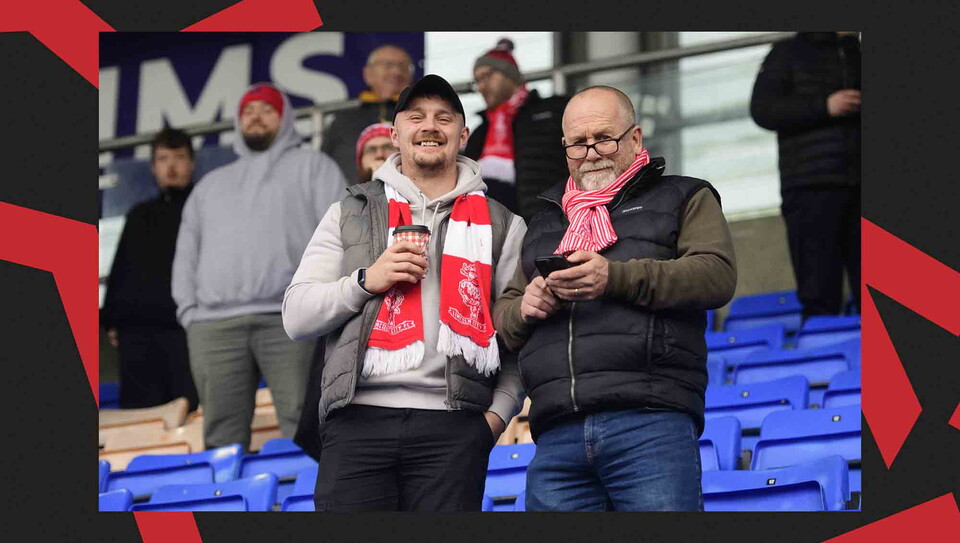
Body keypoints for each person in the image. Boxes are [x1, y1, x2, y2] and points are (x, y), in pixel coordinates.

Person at [283, 74, 526, 512]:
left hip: (455, 426)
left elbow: (520, 333)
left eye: (444, 117)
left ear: (463, 135)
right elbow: (296, 317)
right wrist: (365, 281)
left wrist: (494, 420)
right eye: (416, 117)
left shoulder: (505, 223)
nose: (430, 126)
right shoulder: (348, 211)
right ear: (396, 134)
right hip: (357, 421)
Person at [492, 86, 737, 511]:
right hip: (554, 432)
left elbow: (716, 275)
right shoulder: (544, 221)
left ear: (636, 138)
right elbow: (504, 315)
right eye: (577, 144)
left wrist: (614, 277)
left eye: (604, 138)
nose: (591, 153)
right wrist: (525, 307)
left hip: (650, 422)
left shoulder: (685, 195)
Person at [172, 83, 348, 451]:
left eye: (266, 109)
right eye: (247, 110)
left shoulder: (314, 166)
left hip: (288, 319)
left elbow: (341, 237)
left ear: (284, 118)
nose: (255, 116)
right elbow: (186, 253)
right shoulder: (210, 185)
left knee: (304, 423)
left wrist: (319, 305)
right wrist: (190, 313)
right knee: (219, 432)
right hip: (213, 326)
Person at [750, 31, 861, 319]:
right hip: (810, 185)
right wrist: (825, 106)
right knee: (819, 292)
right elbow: (763, 110)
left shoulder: (858, 50)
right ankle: (825, 355)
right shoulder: (787, 51)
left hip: (859, 184)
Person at [101, 127, 200, 411]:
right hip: (136, 334)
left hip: (183, 330)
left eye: (179, 157)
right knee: (140, 418)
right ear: (153, 167)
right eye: (163, 158)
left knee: (188, 412)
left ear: (191, 164)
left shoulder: (202, 209)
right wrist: (112, 319)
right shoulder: (139, 214)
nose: (171, 166)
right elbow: (121, 269)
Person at [464, 38, 569, 221]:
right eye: (478, 81)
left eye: (487, 76)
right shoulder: (480, 132)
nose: (481, 86)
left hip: (548, 222)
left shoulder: (553, 111)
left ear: (509, 76)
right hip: (492, 227)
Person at [322, 44, 415, 183]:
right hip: (351, 200)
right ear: (368, 74)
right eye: (388, 65)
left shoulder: (418, 117)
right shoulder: (344, 120)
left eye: (403, 67)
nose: (396, 72)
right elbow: (324, 169)